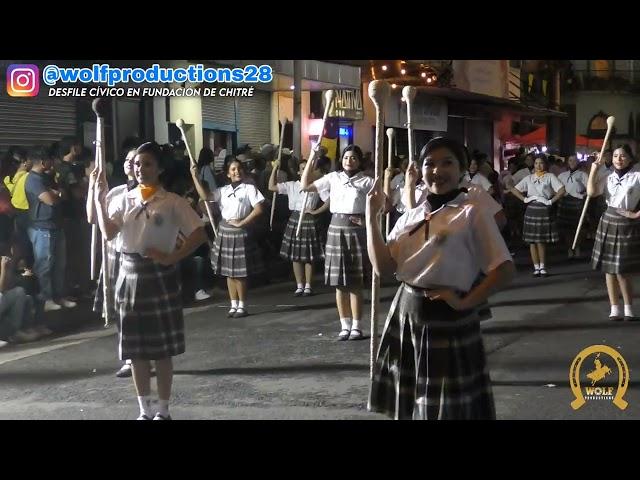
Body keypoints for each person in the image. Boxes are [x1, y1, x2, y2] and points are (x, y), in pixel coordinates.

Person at [365, 137, 515, 419]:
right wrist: (371, 217)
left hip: (449, 320)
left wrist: (465, 302)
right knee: (413, 406)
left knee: (447, 410)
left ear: (461, 170)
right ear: (420, 171)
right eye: (429, 164)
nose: (437, 170)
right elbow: (383, 269)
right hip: (406, 313)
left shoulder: (472, 213)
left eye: (447, 162)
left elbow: (505, 270)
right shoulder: (410, 216)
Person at [93, 141, 207, 420]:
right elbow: (108, 233)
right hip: (129, 275)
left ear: (159, 169)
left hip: (160, 275)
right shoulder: (124, 199)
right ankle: (144, 409)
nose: (140, 169)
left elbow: (198, 234)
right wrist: (98, 199)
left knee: (161, 350)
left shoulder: (172, 202)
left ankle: (163, 410)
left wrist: (173, 257)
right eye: (136, 164)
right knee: (136, 349)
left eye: (147, 164)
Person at [300, 145, 376, 341]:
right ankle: (345, 325)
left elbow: (382, 205)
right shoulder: (333, 178)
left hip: (357, 232)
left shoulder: (368, 181)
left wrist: (367, 217)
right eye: (346, 157)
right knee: (339, 283)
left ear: (359, 161)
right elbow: (305, 185)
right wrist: (313, 157)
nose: (348, 161)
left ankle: (357, 326)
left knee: (355, 282)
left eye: (353, 158)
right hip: (336, 229)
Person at [191, 157, 265, 318]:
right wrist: (195, 177)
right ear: (228, 174)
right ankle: (233, 304)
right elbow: (205, 196)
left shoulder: (249, 189)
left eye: (239, 168)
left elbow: (259, 208)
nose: (236, 171)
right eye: (233, 169)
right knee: (229, 273)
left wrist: (242, 222)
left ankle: (242, 305)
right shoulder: (223, 190)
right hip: (225, 232)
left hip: (240, 233)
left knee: (240, 273)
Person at [87, 148, 138, 378]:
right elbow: (92, 218)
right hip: (113, 255)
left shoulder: (149, 194)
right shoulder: (115, 192)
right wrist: (93, 189)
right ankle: (128, 356)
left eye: (136, 160)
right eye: (127, 159)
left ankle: (144, 355)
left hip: (136, 255)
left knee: (137, 312)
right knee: (119, 312)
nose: (130, 164)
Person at [588, 144, 640, 322]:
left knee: (623, 270)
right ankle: (614, 308)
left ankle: (628, 307)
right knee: (609, 270)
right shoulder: (607, 176)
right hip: (608, 221)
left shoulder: (637, 177)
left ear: (630, 159)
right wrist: (594, 170)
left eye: (623, 156)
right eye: (616, 155)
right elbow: (591, 192)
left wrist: (636, 213)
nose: (619, 159)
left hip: (626, 224)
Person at [24, 146, 76, 311]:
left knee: (59, 264)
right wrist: (56, 194)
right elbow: (49, 199)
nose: (52, 163)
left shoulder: (48, 178)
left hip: (56, 225)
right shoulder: (32, 179)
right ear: (42, 161)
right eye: (50, 160)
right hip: (42, 228)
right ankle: (46, 299)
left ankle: (59, 296)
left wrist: (57, 193)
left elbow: (63, 194)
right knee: (44, 264)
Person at [268, 158, 328, 296]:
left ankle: (308, 285)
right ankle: (299, 285)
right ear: (299, 172)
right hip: (294, 219)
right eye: (302, 168)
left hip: (308, 219)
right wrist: (275, 168)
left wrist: (315, 211)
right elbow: (271, 187)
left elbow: (329, 200)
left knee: (308, 256)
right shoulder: (291, 185)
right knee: (296, 255)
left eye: (307, 168)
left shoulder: (316, 186)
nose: (305, 170)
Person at [510, 154, 565, 277]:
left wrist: (551, 201)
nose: (538, 165)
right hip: (531, 209)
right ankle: (536, 267)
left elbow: (562, 190)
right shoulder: (529, 178)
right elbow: (514, 189)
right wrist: (524, 199)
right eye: (536, 163)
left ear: (545, 164)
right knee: (532, 241)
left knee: (541, 240)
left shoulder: (550, 176)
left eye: (541, 163)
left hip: (543, 209)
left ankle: (542, 266)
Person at [557, 155, 589, 258]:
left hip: (577, 202)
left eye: (575, 160)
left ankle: (577, 247)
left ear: (578, 162)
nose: (572, 162)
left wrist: (582, 195)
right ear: (567, 162)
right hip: (565, 202)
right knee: (567, 229)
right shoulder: (562, 175)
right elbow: (556, 188)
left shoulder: (583, 174)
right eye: (570, 160)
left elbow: (589, 189)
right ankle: (569, 249)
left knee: (578, 227)